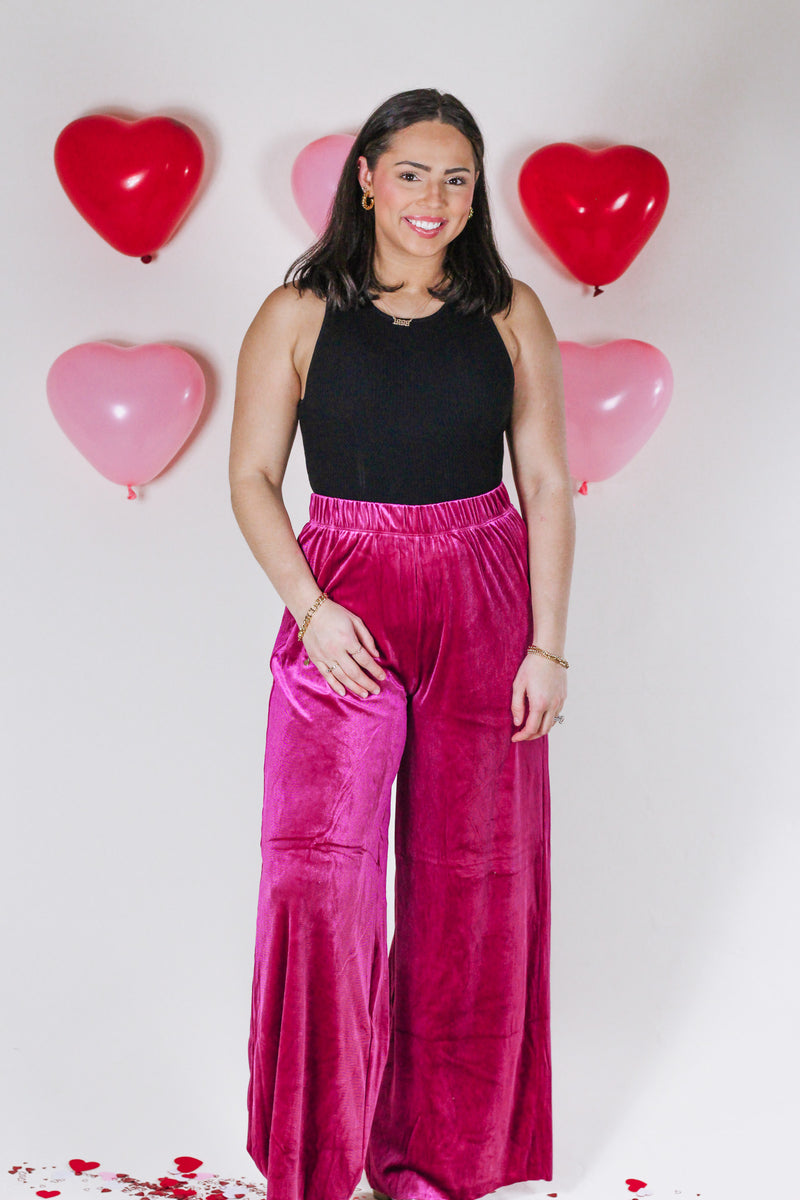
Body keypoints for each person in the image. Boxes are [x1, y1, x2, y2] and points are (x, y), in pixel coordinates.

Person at [229, 88, 575, 1200]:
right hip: (344, 594)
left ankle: (435, 1160)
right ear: (368, 180)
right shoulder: (296, 312)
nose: (435, 198)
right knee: (317, 878)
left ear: (475, 195)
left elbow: (546, 481)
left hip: (484, 594)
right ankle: (315, 1155)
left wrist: (548, 646)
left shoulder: (511, 311)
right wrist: (310, 608)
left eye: (457, 178)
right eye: (413, 173)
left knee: (472, 883)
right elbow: (251, 477)